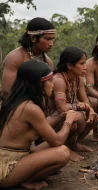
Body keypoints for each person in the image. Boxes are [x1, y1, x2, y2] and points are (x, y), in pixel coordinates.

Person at [0, 60, 79, 189]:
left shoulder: (19, 102)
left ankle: (23, 177)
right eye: (49, 81)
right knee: (63, 152)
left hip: (15, 156)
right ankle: (26, 180)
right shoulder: (30, 108)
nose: (52, 85)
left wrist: (61, 117)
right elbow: (57, 141)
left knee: (50, 143)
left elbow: (43, 124)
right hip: (7, 167)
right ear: (38, 84)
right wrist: (68, 121)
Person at [51, 46, 98, 161]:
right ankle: (65, 148)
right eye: (82, 63)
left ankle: (76, 144)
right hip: (53, 119)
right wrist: (82, 106)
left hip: (67, 114)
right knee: (79, 117)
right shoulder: (59, 80)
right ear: (69, 65)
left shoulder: (78, 79)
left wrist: (90, 110)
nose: (85, 67)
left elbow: (86, 101)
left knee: (94, 117)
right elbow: (62, 108)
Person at [1, 17, 55, 101]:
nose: (51, 44)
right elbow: (7, 91)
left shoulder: (47, 61)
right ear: (33, 38)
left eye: (52, 39)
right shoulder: (15, 58)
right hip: (16, 108)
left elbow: (49, 91)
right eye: (47, 39)